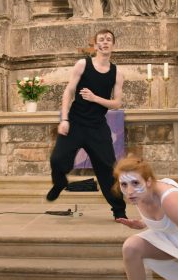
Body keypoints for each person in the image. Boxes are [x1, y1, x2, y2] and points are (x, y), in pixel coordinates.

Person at [47, 28, 127, 219]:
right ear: (95, 44)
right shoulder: (83, 64)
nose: (105, 42)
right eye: (101, 39)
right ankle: (59, 183)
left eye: (109, 39)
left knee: (108, 171)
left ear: (113, 45)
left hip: (97, 127)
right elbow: (68, 91)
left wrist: (94, 98)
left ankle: (119, 211)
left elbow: (116, 103)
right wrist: (64, 119)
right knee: (57, 160)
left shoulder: (117, 73)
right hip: (75, 122)